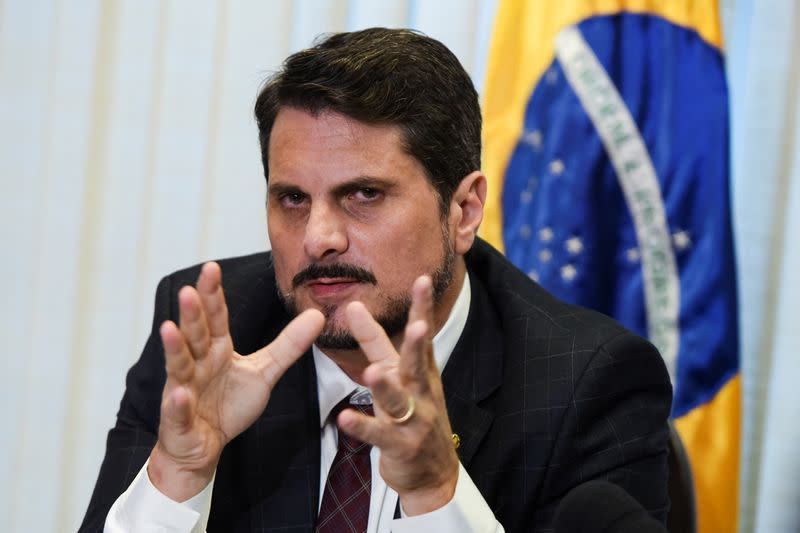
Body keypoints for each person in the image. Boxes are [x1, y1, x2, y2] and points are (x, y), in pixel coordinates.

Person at [79, 27, 672, 533]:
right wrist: (178, 473)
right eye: (291, 198)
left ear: (462, 211)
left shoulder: (589, 383)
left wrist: (438, 494)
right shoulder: (214, 336)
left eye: (363, 194)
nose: (318, 237)